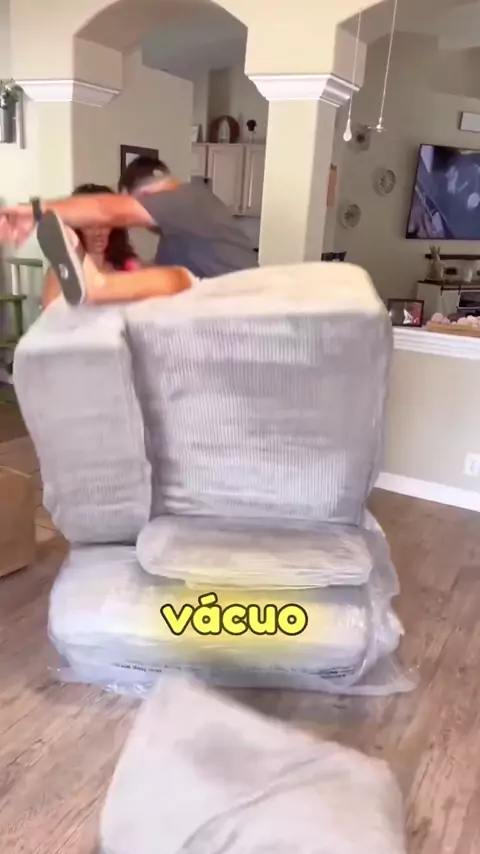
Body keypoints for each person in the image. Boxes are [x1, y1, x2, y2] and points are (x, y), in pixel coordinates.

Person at [0, 156, 258, 306]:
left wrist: (36, 211)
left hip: (238, 311)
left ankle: (99, 285)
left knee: (179, 279)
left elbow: (108, 211)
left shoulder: (185, 200)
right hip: (219, 309)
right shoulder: (178, 229)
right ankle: (99, 285)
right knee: (176, 277)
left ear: (143, 195)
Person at [42, 183, 141, 309]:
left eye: (104, 223)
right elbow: (50, 317)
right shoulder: (62, 272)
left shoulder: (129, 265)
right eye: (89, 225)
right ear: (75, 226)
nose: (98, 232)